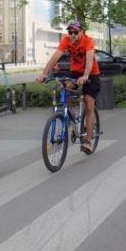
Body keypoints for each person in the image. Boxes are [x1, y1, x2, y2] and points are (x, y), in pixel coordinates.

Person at [36, 20, 100, 155]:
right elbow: (55, 57)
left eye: (75, 32)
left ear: (81, 32)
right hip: (75, 73)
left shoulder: (88, 41)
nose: (72, 35)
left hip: (91, 74)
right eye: (70, 32)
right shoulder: (66, 40)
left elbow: (89, 60)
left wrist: (86, 75)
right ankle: (71, 116)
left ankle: (88, 140)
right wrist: (44, 73)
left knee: (89, 104)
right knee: (65, 88)